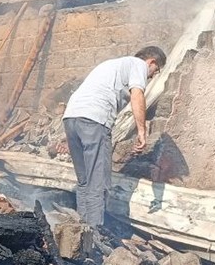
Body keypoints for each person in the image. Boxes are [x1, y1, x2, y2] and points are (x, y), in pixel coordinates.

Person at [61, 46, 166, 229]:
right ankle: (93, 232)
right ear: (152, 62)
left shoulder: (112, 65)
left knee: (84, 180)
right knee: (97, 182)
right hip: (94, 119)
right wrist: (142, 130)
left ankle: (79, 230)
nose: (150, 77)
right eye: (154, 72)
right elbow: (137, 94)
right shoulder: (138, 65)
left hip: (71, 118)